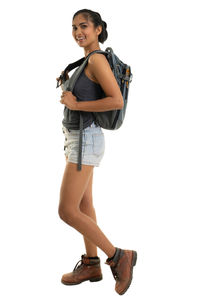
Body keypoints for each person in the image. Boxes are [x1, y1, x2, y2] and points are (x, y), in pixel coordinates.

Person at [58, 9, 137, 295]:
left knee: (67, 211)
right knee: (83, 206)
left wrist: (76, 105)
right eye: (74, 27)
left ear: (99, 30)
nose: (79, 32)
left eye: (84, 26)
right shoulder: (86, 60)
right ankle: (92, 264)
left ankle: (118, 256)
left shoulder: (97, 60)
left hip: (84, 143)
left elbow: (115, 100)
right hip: (76, 140)